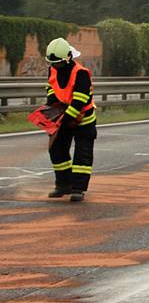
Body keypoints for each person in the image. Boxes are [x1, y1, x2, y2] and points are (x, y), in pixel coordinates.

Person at [44, 38, 97, 202]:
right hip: (65, 116)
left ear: (68, 58)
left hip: (83, 119)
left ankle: (78, 189)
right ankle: (63, 185)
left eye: (58, 63)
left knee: (82, 155)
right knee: (56, 149)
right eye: (53, 63)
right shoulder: (53, 69)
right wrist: (52, 106)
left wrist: (66, 118)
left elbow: (79, 100)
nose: (56, 66)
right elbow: (51, 87)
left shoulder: (80, 73)